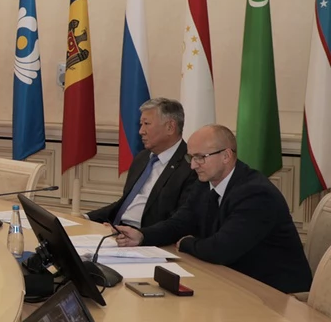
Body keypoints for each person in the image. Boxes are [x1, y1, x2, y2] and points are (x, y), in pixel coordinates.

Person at [114, 124, 311, 294]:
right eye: (191, 157)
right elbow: (180, 222)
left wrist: (187, 243)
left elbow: (221, 250)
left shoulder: (256, 194)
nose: (193, 165)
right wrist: (142, 236)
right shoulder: (205, 183)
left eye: (200, 157)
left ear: (226, 156)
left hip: (276, 294)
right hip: (233, 280)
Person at [86, 97, 198, 237]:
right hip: (117, 231)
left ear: (170, 127)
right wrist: (86, 218)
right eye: (141, 124)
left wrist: (141, 235)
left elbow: (180, 221)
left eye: (146, 124)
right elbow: (125, 202)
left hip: (148, 238)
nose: (141, 131)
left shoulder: (191, 165)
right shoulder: (142, 158)